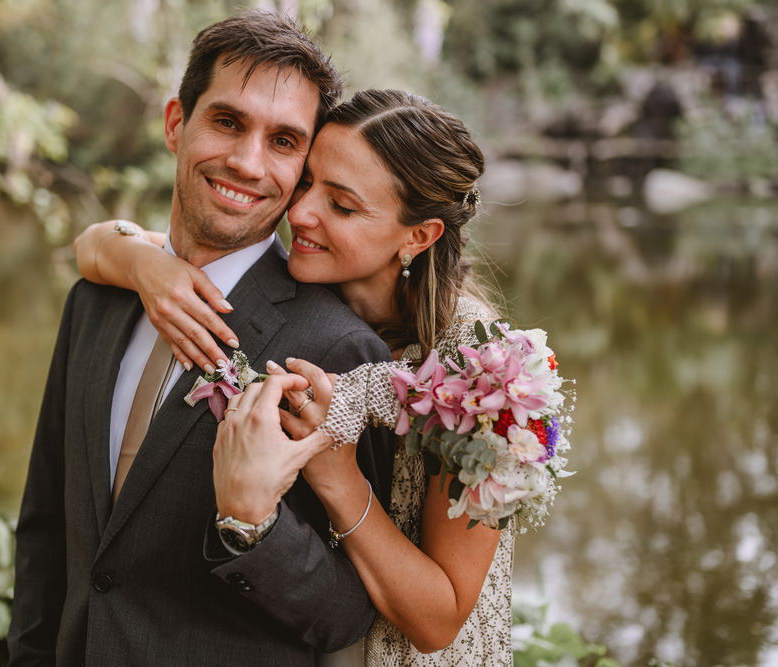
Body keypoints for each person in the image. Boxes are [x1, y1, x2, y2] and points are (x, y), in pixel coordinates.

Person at [8, 12, 398, 666]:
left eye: (282, 141)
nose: (248, 162)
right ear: (174, 123)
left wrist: (254, 527)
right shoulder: (96, 300)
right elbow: (46, 526)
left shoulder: (340, 351)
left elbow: (345, 614)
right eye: (227, 121)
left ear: (303, 166)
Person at [74, 89, 514, 665]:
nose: (301, 212)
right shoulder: (298, 285)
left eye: (343, 206)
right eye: (307, 182)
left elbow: (440, 620)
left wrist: (338, 476)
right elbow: (94, 244)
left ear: (418, 236)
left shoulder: (482, 368)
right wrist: (142, 266)